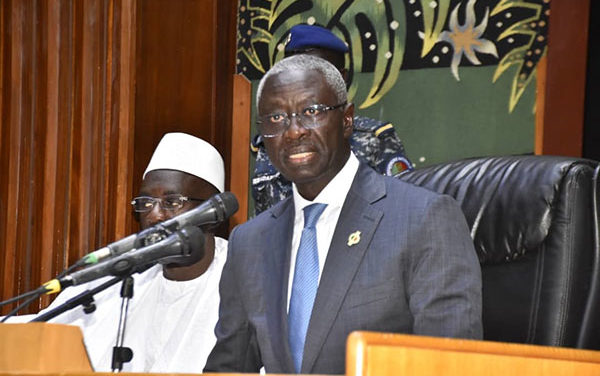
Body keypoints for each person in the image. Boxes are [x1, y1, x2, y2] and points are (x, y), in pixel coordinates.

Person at [205, 55, 482, 374]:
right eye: (277, 118)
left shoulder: (423, 220)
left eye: (311, 112)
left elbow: (449, 366)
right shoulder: (249, 242)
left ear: (347, 119)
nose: (294, 132)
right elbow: (229, 367)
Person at [7, 133, 228, 373]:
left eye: (172, 202)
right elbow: (37, 333)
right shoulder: (120, 272)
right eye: (145, 202)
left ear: (213, 213)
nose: (154, 215)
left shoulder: (242, 277)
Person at [251, 24, 413, 215]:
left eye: (320, 71)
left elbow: (402, 211)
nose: (295, 132)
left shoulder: (374, 139)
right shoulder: (270, 143)